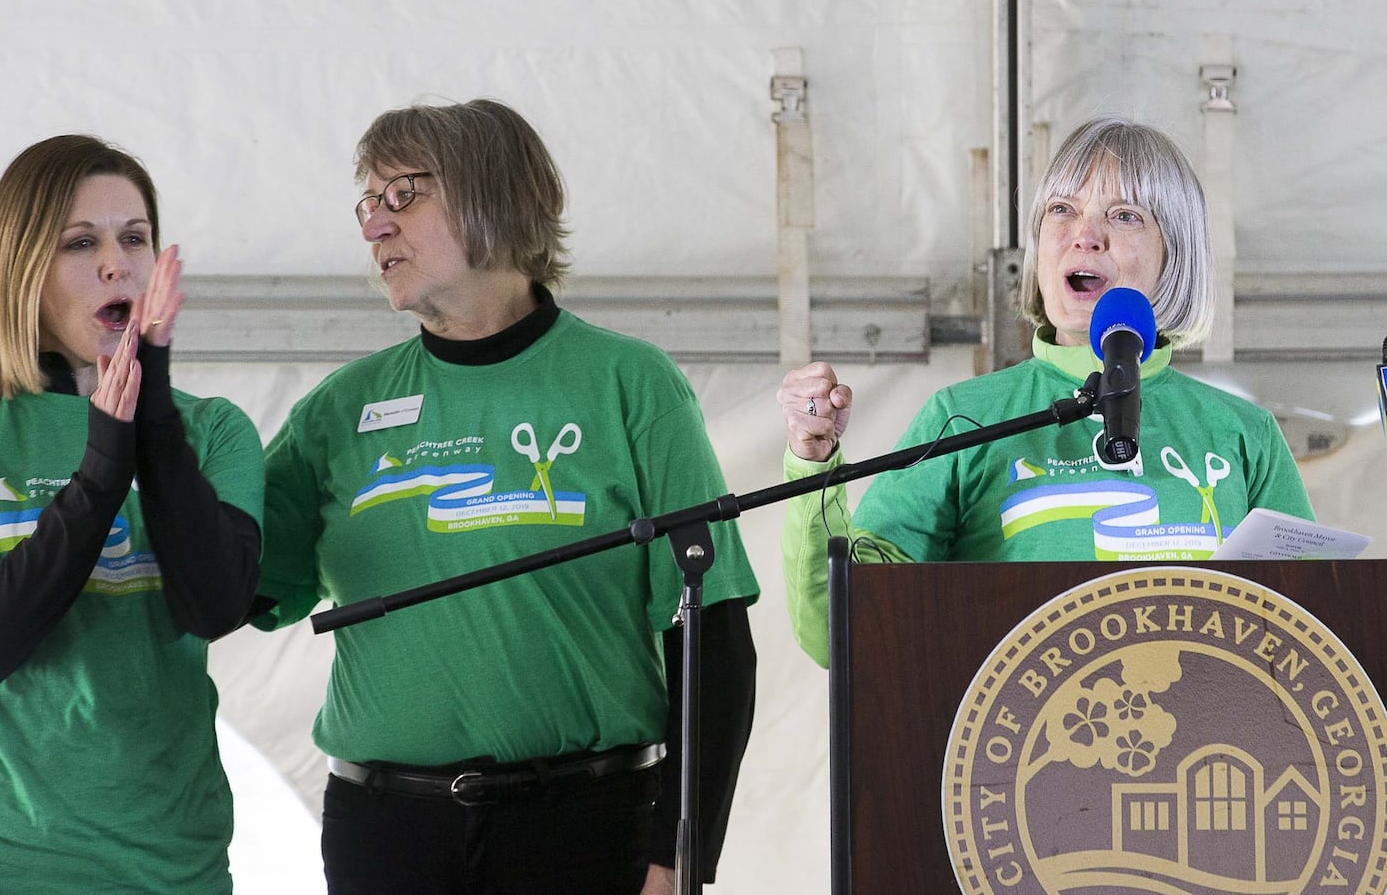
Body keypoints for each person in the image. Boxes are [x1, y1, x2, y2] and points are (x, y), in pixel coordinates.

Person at [253, 98, 760, 894]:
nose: (373, 227)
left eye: (402, 195)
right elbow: (222, 575)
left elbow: (713, 637)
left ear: (495, 198)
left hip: (588, 833)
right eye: (368, 203)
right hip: (388, 838)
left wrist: (679, 856)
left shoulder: (630, 386)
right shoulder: (337, 412)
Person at [776, 115, 1314, 667]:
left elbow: (1311, 639)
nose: (1086, 234)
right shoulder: (963, 416)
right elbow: (842, 632)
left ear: (1174, 255)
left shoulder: (1245, 435)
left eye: (1125, 215)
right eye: (1063, 209)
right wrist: (812, 465)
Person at [0, 135, 264, 893]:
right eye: (79, 242)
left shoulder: (216, 429)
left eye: (134, 238)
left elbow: (214, 604)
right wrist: (99, 470)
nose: (115, 263)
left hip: (168, 868)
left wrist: (149, 412)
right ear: (22, 269)